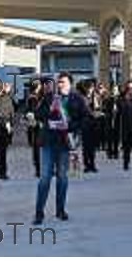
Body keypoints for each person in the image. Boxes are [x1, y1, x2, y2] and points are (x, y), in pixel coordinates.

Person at [33, 72, 88, 224]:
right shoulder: (50, 97)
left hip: (65, 144)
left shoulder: (78, 99)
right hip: (49, 142)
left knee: (62, 178)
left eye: (63, 82)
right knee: (44, 178)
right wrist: (49, 109)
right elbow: (38, 114)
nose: (60, 84)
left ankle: (60, 210)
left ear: (70, 83)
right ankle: (39, 212)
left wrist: (70, 126)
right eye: (59, 82)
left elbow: (85, 118)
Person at [0, 81, 15, 180]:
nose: (7, 88)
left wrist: (11, 125)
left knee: (3, 151)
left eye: (8, 87)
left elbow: (11, 113)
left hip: (5, 125)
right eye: (6, 86)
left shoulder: (9, 98)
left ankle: (2, 172)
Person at [25, 79, 43, 178]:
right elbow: (31, 112)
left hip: (36, 125)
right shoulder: (33, 98)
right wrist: (37, 121)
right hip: (36, 125)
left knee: (38, 148)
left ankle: (39, 169)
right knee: (37, 148)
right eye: (39, 85)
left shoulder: (36, 97)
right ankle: (38, 169)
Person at [103, 84, 121, 160]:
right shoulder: (108, 100)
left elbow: (122, 110)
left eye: (116, 90)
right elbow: (105, 109)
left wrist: (118, 110)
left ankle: (116, 152)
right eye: (113, 90)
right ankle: (109, 152)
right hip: (109, 120)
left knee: (116, 137)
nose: (115, 91)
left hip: (117, 120)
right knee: (109, 137)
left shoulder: (120, 100)